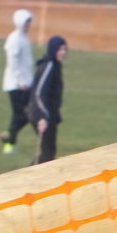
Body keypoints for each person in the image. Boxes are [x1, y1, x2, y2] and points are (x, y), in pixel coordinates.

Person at [0, 7, 37, 153]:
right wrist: (21, 82)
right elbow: (13, 63)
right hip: (16, 85)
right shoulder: (15, 39)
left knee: (27, 114)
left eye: (29, 21)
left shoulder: (23, 37)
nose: (29, 24)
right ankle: (9, 143)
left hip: (26, 83)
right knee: (23, 115)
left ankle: (9, 139)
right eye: (27, 22)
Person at [30, 34, 69, 164]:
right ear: (53, 49)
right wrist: (42, 117)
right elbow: (39, 93)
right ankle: (27, 174)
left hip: (49, 115)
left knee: (49, 153)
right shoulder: (49, 66)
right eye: (60, 49)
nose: (63, 52)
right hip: (42, 115)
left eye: (64, 49)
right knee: (47, 154)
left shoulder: (55, 65)